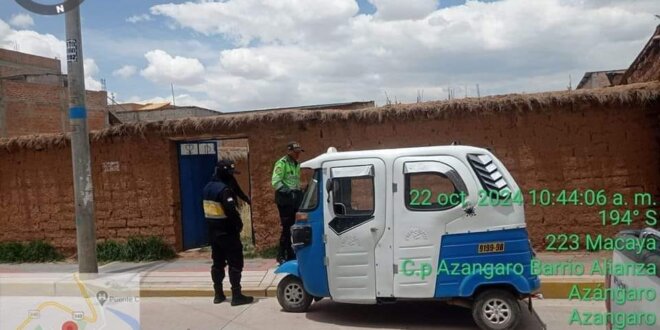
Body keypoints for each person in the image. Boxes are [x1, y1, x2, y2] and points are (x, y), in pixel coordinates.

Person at [202, 159, 254, 306]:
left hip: (213, 233)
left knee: (217, 263)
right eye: (229, 173)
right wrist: (239, 224)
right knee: (235, 263)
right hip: (228, 233)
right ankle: (237, 295)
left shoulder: (207, 188)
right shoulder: (224, 190)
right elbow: (231, 211)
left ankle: (218, 294)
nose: (232, 176)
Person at [271, 141, 304, 264]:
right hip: (285, 199)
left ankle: (291, 253)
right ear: (290, 152)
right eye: (296, 152)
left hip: (295, 199)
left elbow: (295, 181)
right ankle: (281, 254)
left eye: (299, 152)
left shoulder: (296, 164)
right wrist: (287, 191)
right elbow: (276, 181)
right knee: (286, 227)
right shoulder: (282, 163)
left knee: (294, 227)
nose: (298, 154)